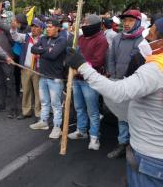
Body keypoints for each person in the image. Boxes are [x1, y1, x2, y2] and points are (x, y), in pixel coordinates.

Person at [65, 18, 163, 187]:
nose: (147, 38)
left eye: (151, 33)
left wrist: (82, 66)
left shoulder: (156, 69)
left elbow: (119, 93)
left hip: (151, 158)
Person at [106, 10, 144, 159]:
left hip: (136, 84)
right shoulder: (117, 38)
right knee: (121, 116)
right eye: (125, 20)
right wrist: (113, 76)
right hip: (119, 82)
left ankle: (136, 147)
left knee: (136, 116)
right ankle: (122, 144)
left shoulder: (143, 39)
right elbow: (111, 58)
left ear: (138, 22)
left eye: (130, 20)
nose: (126, 24)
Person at [67, 14, 109, 150]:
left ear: (93, 26)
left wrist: (79, 69)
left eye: (85, 23)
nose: (83, 25)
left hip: (90, 81)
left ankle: (95, 137)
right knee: (79, 107)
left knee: (93, 111)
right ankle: (81, 131)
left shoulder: (101, 40)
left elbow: (98, 61)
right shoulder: (80, 38)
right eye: (83, 23)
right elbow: (75, 54)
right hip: (77, 79)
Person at [29, 19, 67, 139]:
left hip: (55, 77)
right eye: (47, 27)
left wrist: (42, 51)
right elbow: (33, 49)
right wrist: (46, 50)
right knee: (44, 101)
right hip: (43, 75)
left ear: (57, 28)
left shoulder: (62, 40)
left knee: (55, 104)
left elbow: (53, 55)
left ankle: (57, 127)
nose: (48, 29)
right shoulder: (44, 38)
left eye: (50, 27)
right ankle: (44, 121)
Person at [10, 17, 45, 120]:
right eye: (32, 26)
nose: (33, 28)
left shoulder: (44, 39)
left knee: (38, 92)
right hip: (26, 69)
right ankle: (26, 111)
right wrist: (13, 29)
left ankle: (39, 113)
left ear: (41, 29)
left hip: (38, 70)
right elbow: (15, 37)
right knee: (26, 91)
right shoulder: (26, 37)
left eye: (36, 26)